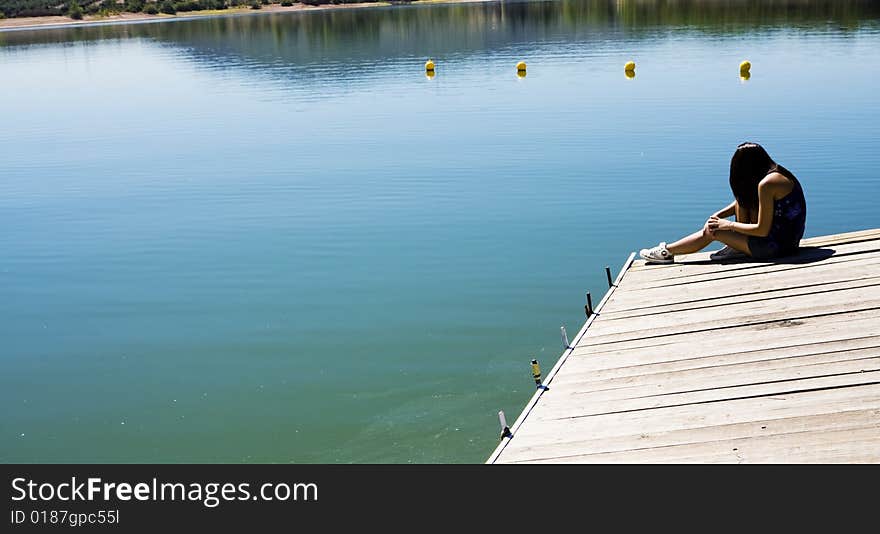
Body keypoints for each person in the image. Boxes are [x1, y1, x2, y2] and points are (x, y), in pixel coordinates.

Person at [640, 142, 806, 264]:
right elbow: (742, 202)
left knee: (714, 231)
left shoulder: (766, 185)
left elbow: (762, 230)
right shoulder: (775, 174)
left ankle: (667, 252)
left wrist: (727, 225)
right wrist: (719, 215)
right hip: (788, 241)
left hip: (777, 248)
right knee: (743, 202)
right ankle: (737, 246)